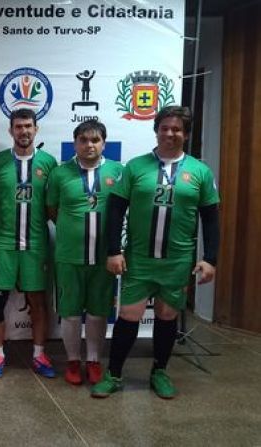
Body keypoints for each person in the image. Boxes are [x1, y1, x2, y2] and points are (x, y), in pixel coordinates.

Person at [91, 106, 220, 399]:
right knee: (129, 314)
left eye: (177, 129)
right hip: (139, 258)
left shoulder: (200, 172)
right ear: (156, 130)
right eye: (165, 128)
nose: (170, 133)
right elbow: (115, 210)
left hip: (177, 261)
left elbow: (211, 218)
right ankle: (114, 374)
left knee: (166, 315)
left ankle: (159, 371)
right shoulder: (136, 167)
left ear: (185, 134)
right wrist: (114, 250)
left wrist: (210, 258)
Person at [46, 119, 122, 386]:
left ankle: (92, 360)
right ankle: (72, 361)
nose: (89, 145)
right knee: (70, 312)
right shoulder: (59, 173)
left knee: (99, 311)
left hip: (104, 257)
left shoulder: (117, 171)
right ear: (75, 143)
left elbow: (123, 209)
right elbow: (51, 209)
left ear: (103, 143)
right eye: (84, 140)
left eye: (95, 140)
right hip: (69, 256)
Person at [0, 108, 58, 378]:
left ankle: (39, 355)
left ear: (36, 129)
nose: (24, 131)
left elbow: (54, 206)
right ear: (10, 130)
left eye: (28, 126)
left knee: (38, 302)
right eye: (18, 126)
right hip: (3, 244)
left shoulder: (49, 163)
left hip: (36, 244)